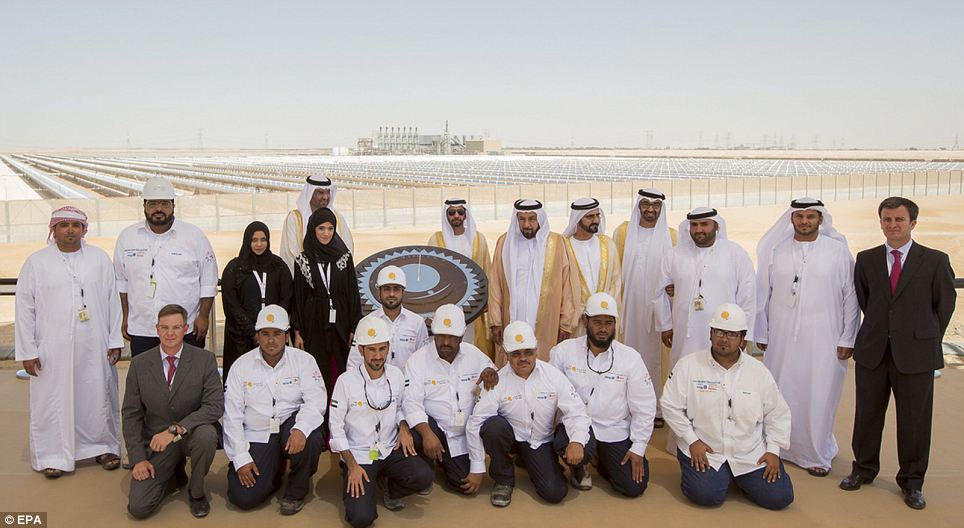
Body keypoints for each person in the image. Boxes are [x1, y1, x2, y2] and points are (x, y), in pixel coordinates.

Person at [840, 197, 956, 510]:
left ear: (912, 223)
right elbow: (867, 301)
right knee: (867, 416)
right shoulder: (867, 259)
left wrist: (919, 337)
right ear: (880, 223)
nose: (893, 225)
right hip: (874, 351)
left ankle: (912, 482)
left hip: (916, 355)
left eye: (899, 220)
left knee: (915, 422)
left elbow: (943, 307)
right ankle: (863, 469)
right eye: (887, 220)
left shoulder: (934, 260)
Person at [15, 206, 124, 478]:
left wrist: (114, 339)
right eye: (63, 225)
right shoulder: (36, 263)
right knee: (53, 400)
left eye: (75, 226)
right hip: (51, 348)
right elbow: (24, 309)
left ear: (83, 229)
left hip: (95, 344)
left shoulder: (99, 259)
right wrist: (28, 350)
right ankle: (53, 454)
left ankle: (104, 446)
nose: (70, 230)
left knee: (98, 395)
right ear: (53, 230)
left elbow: (113, 303)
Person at [755, 198, 859, 477]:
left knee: (819, 393)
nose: (804, 221)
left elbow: (851, 297)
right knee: (780, 390)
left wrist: (848, 337)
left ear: (820, 219)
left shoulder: (838, 252)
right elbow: (763, 294)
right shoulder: (777, 251)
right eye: (799, 216)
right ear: (791, 219)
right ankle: (778, 446)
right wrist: (761, 330)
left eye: (810, 216)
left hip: (825, 338)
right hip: (781, 337)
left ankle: (815, 452)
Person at [661, 304, 794, 510]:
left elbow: (777, 413)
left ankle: (736, 476)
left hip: (749, 453)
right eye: (719, 332)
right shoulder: (688, 366)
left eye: (732, 334)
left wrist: (774, 450)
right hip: (705, 451)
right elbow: (669, 405)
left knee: (779, 498)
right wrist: (691, 440)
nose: (724, 339)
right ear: (710, 334)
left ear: (742, 338)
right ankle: (721, 476)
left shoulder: (758, 372)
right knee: (706, 496)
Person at [465, 320, 591, 507]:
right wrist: (477, 467)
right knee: (493, 427)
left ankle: (532, 462)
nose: (523, 358)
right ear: (506, 354)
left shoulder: (553, 376)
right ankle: (504, 479)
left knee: (555, 493)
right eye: (516, 354)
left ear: (536, 350)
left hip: (540, 441)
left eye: (528, 352)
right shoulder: (496, 381)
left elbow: (577, 411)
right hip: (512, 439)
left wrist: (577, 441)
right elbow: (475, 422)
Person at [329, 317, 434, 528]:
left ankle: (388, 484)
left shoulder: (396, 375)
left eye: (382, 349)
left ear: (388, 348)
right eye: (371, 350)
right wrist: (351, 465)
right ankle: (361, 480)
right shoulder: (345, 381)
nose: (377, 356)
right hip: (359, 455)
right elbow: (336, 427)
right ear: (361, 351)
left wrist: (404, 427)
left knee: (424, 477)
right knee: (361, 518)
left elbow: (401, 407)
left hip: (388, 448)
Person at [548, 292, 656, 497]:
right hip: (574, 426)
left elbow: (644, 406)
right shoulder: (563, 352)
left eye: (609, 322)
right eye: (597, 322)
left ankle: (603, 461)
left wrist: (639, 446)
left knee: (633, 487)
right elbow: (550, 397)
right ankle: (579, 466)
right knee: (575, 445)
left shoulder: (630, 358)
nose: (604, 329)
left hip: (613, 429)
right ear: (585, 321)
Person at [223, 305, 327, 516]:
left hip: (290, 425)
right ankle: (274, 469)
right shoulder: (240, 366)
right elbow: (231, 416)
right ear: (257, 336)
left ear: (287, 335)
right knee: (243, 498)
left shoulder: (304, 361)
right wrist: (241, 458)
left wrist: (301, 429)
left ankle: (296, 491)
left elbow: (316, 400)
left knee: (312, 437)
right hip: (257, 433)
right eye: (265, 334)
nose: (271, 340)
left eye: (277, 334)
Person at [123, 304, 223, 519]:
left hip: (190, 434)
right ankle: (174, 475)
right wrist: (138, 458)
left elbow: (214, 406)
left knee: (207, 435)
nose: (170, 333)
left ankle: (196, 492)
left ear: (186, 328)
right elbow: (131, 414)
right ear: (157, 329)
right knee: (139, 508)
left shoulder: (204, 360)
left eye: (176, 327)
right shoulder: (139, 364)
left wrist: (175, 430)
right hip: (157, 443)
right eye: (164, 327)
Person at [113, 177, 218, 357]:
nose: (159, 209)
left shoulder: (193, 236)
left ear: (173, 206)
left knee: (187, 380)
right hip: (143, 327)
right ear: (144, 205)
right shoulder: (127, 237)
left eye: (164, 203)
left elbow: (208, 280)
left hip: (186, 328)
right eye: (153, 204)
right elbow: (121, 283)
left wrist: (203, 317)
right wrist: (125, 316)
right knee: (147, 380)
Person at [403, 304, 499, 493]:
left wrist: (491, 373)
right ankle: (427, 461)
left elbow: (492, 371)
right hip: (436, 429)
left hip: (466, 434)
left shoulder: (474, 354)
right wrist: (427, 434)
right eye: (441, 336)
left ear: (462, 336)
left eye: (452, 337)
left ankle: (444, 460)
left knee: (460, 483)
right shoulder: (417, 360)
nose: (445, 342)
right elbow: (411, 403)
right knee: (416, 433)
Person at [654, 207, 755, 370]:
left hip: (725, 333)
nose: (699, 230)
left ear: (716, 226)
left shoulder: (735, 254)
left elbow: (748, 295)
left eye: (704, 224)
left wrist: (745, 334)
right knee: (684, 373)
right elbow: (659, 293)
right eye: (694, 225)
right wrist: (665, 326)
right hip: (684, 334)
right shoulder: (675, 254)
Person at [613, 188, 676, 427]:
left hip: (659, 309)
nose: (650, 209)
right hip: (628, 307)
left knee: (655, 358)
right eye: (645, 204)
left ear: (662, 208)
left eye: (656, 205)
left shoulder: (671, 236)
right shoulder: (622, 232)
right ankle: (626, 406)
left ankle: (656, 409)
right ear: (638, 206)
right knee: (627, 355)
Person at [488, 199, 576, 364]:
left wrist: (566, 323)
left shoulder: (557, 243)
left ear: (540, 219)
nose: (527, 224)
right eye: (522, 219)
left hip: (547, 321)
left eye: (532, 219)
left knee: (545, 363)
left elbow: (567, 285)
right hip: (512, 318)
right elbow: (495, 284)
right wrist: (495, 321)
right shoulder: (504, 243)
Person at [290, 207, 363, 393]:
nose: (326, 233)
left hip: (341, 322)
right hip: (314, 322)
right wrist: (297, 331)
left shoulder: (344, 257)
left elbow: (352, 293)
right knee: (316, 372)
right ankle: (319, 418)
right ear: (313, 229)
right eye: (321, 228)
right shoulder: (302, 260)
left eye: (330, 228)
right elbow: (298, 297)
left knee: (340, 369)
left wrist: (354, 326)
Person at [221, 221, 293, 381]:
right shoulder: (235, 268)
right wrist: (253, 331)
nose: (259, 244)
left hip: (273, 334)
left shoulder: (278, 266)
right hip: (241, 338)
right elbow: (231, 304)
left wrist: (270, 329)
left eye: (263, 240)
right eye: (254, 240)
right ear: (247, 241)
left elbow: (287, 297)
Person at [427, 198, 494, 357]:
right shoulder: (436, 239)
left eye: (460, 212)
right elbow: (430, 273)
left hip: (473, 304)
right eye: (451, 213)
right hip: (446, 302)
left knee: (471, 343)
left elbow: (487, 269)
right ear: (446, 215)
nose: (456, 216)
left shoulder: (478, 239)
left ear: (465, 214)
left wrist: (487, 300)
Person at [346, 266, 429, 371]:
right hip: (374, 386)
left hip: (408, 386)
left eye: (396, 289)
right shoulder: (365, 323)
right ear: (378, 292)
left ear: (403, 292)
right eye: (386, 289)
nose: (391, 294)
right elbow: (353, 364)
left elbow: (424, 363)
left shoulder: (417, 323)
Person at [562, 197, 622, 337]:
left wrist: (602, 311)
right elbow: (563, 288)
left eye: (597, 215)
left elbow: (616, 282)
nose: (595, 220)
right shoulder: (565, 247)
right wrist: (583, 313)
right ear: (577, 219)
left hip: (604, 318)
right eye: (589, 216)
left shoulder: (608, 244)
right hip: (577, 320)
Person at [279, 173, 354, 273]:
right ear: (309, 194)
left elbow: (347, 247)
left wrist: (335, 273)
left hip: (334, 276)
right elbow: (291, 252)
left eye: (327, 192)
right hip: (306, 278)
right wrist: (313, 275)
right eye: (320, 193)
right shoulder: (295, 218)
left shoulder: (337, 217)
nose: (325, 197)